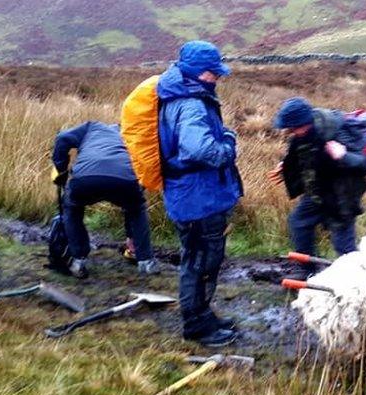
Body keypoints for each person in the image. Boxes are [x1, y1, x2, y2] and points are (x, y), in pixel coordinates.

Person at [157, 40, 243, 348]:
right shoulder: (191, 103)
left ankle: (203, 316)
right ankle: (196, 325)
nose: (217, 77)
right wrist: (229, 146)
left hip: (194, 196)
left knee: (200, 259)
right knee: (200, 261)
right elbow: (198, 149)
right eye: (212, 72)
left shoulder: (182, 95)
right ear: (196, 72)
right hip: (198, 200)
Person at [270, 97, 366, 259]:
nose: (289, 131)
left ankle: (356, 279)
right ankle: (306, 269)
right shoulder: (301, 135)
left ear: (304, 123)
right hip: (317, 193)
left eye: (292, 128)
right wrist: (286, 166)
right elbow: (302, 153)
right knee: (299, 223)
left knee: (344, 247)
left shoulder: (337, 132)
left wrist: (344, 156)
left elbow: (365, 164)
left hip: (342, 198)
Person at [51, 121, 157, 278]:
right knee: (136, 208)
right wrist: (138, 189)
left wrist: (61, 170)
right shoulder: (131, 133)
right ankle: (145, 261)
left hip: (86, 179)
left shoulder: (90, 127)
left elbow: (63, 138)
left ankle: (78, 260)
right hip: (125, 179)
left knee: (72, 207)